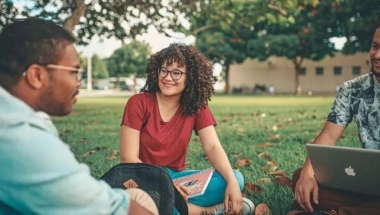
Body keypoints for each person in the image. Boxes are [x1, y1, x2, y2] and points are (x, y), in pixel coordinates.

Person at [0, 18, 158, 215]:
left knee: (137, 195)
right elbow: (116, 210)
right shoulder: (19, 136)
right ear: (37, 76)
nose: (78, 83)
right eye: (74, 72)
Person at [119, 43, 255, 215]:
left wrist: (232, 183)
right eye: (164, 70)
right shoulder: (138, 103)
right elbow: (128, 158)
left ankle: (174, 207)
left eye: (176, 72)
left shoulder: (196, 107)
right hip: (143, 178)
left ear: (190, 77)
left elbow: (212, 146)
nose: (168, 77)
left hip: (177, 179)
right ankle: (207, 211)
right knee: (145, 201)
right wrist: (167, 187)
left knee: (235, 177)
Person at [288, 18, 380, 215]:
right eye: (375, 46)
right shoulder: (353, 89)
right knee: (302, 179)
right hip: (369, 185)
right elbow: (328, 136)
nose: (377, 55)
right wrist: (308, 173)